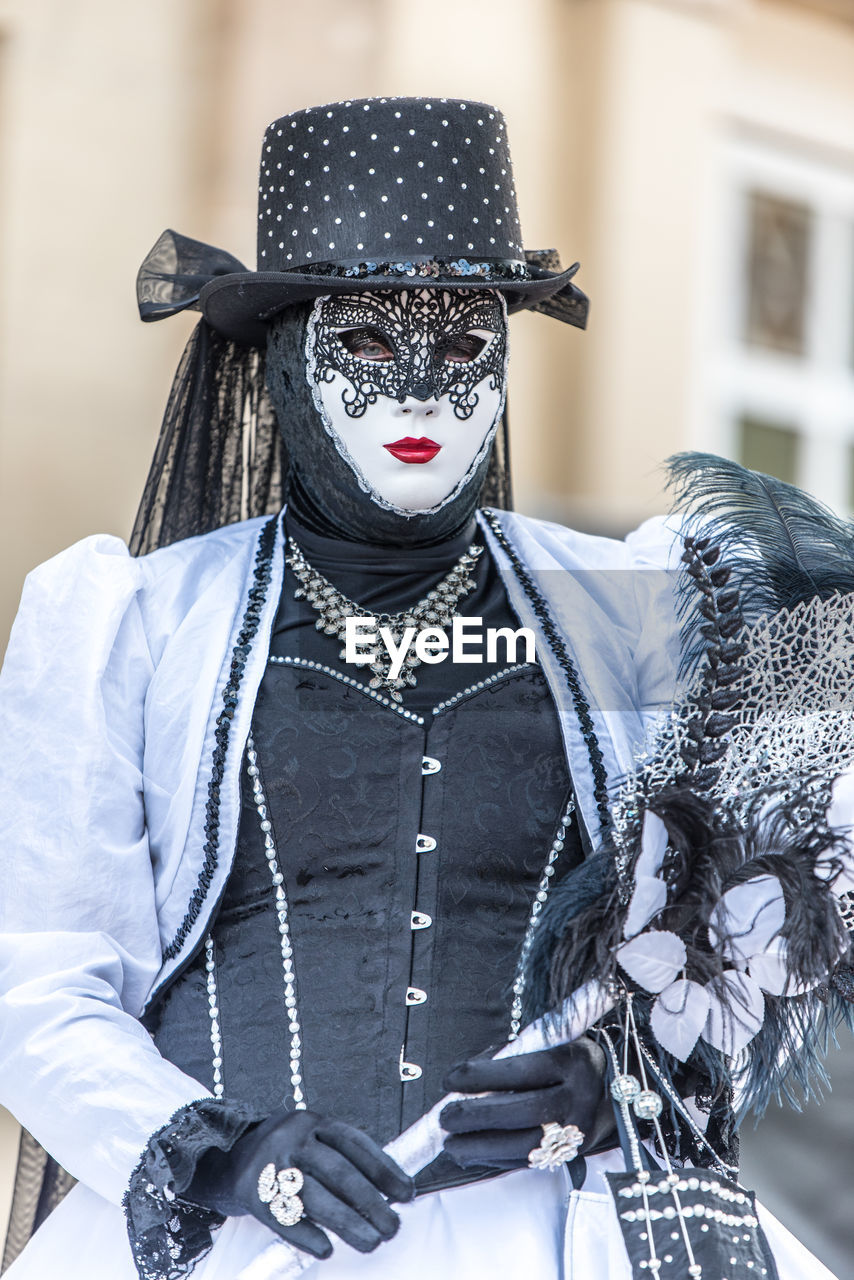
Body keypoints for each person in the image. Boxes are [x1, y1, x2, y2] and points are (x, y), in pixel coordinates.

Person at [0, 96, 850, 1280]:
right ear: (287, 359)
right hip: (241, 1246)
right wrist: (220, 1152)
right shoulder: (132, 626)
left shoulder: (637, 610)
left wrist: (622, 1076)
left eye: (461, 347)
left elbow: (783, 898)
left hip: (558, 1238)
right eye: (365, 345)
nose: (415, 392)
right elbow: (38, 972)